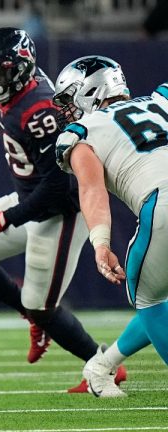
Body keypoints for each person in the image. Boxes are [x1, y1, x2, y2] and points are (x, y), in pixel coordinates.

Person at [0, 28, 125, 391]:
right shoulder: (21, 89)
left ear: (22, 70)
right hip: (29, 197)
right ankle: (34, 317)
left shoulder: (41, 110)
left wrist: (5, 219)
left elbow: (57, 187)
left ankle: (106, 366)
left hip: (58, 212)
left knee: (43, 306)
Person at [54, 55, 168, 397]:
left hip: (162, 205)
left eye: (69, 98)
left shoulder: (82, 132)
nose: (67, 109)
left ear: (89, 91)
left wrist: (100, 243)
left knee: (149, 298)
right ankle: (102, 366)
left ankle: (100, 367)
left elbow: (92, 190)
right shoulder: (163, 99)